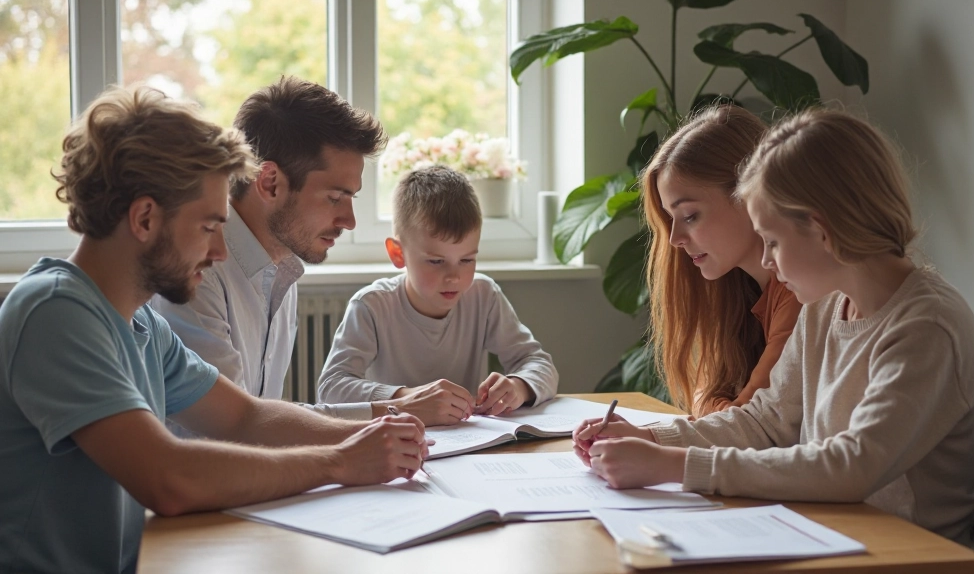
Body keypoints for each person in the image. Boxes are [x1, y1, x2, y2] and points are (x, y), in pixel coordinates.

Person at [0, 85, 427, 574]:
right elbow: (169, 478)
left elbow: (245, 417)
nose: (222, 251)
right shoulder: (55, 312)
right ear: (144, 218)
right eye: (208, 226)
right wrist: (338, 462)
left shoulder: (142, 325)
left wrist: (373, 439)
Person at [573, 109, 974, 547]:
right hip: (831, 541)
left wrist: (673, 465)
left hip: (908, 558)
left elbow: (852, 466)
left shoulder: (927, 324)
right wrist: (652, 437)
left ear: (821, 229)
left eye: (772, 241)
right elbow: (765, 423)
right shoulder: (826, 307)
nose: (766, 261)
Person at [150, 76, 384, 421]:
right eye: (335, 198)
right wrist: (387, 413)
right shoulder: (198, 273)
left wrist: (393, 412)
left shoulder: (281, 265)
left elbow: (263, 418)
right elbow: (232, 427)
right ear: (270, 182)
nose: (349, 221)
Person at [316, 165, 558, 425]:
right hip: (393, 442)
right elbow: (331, 388)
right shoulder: (372, 306)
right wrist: (407, 400)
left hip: (468, 443)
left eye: (466, 260)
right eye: (435, 261)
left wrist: (519, 386)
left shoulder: (483, 296)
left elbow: (539, 363)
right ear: (398, 254)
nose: (454, 277)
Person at [642, 104, 800, 417]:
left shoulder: (800, 294)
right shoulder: (738, 290)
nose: (675, 239)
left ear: (750, 195)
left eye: (689, 215)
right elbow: (709, 397)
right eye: (670, 218)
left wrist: (715, 410)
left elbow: (748, 424)